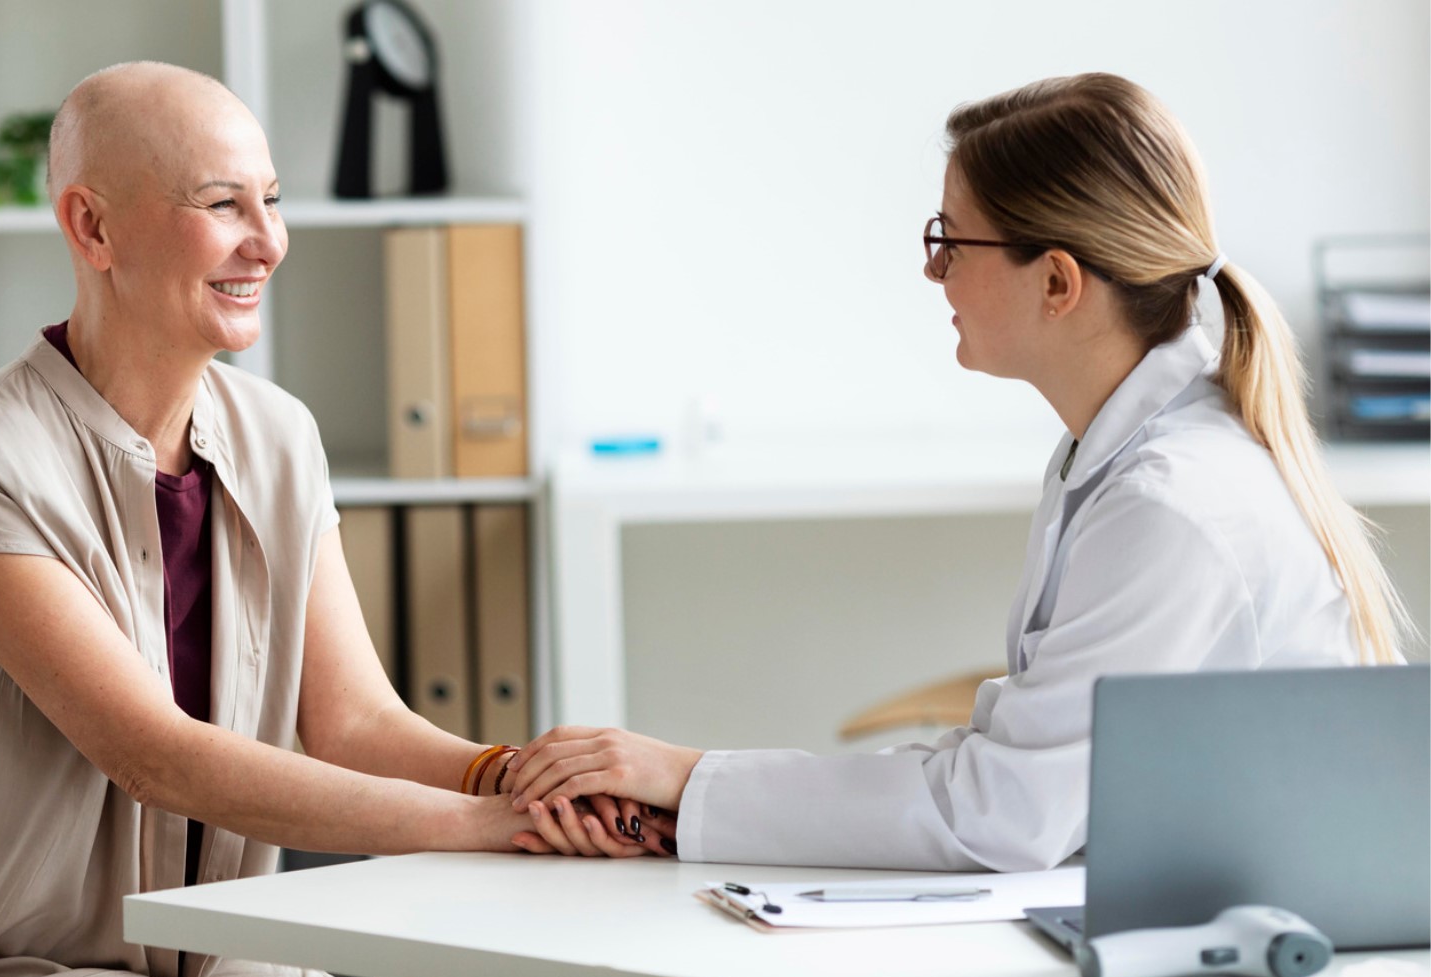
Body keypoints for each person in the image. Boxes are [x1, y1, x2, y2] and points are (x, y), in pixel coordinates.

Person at [501, 73, 1413, 871]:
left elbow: (1001, 814)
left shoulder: (1171, 503)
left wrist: (687, 776)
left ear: (1057, 283)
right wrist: (689, 790)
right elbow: (1012, 776)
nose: (932, 269)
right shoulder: (1117, 456)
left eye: (951, 239)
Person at [0, 62, 572, 977]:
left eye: (272, 201)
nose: (270, 241)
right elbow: (154, 756)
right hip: (10, 964)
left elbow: (355, 721)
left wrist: (523, 781)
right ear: (93, 226)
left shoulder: (280, 436)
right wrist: (487, 828)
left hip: (223, 954)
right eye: (223, 205)